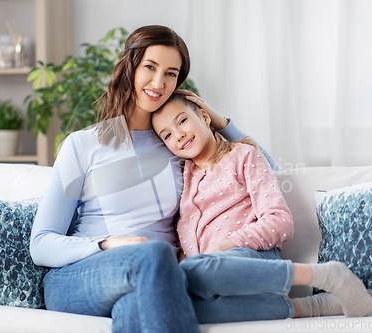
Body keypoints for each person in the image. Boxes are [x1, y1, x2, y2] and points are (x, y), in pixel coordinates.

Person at [29, 25, 268, 333]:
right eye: (150, 67)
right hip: (81, 276)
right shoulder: (82, 144)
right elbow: (41, 243)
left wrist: (215, 118)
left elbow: (264, 168)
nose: (159, 82)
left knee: (133, 309)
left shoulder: (178, 145)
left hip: (156, 278)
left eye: (171, 73)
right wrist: (107, 244)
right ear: (131, 68)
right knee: (153, 254)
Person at [151, 93, 372, 323]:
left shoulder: (243, 155)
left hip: (253, 261)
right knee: (181, 308)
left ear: (204, 117)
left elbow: (280, 221)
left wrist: (226, 245)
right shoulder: (182, 177)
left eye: (182, 121)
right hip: (212, 283)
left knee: (197, 270)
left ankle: (325, 275)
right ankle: (314, 306)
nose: (178, 135)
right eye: (167, 135)